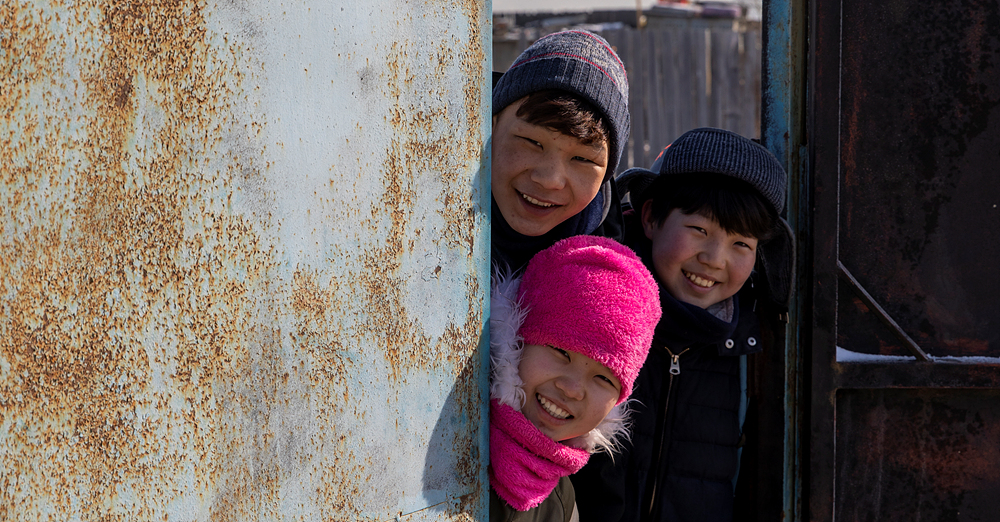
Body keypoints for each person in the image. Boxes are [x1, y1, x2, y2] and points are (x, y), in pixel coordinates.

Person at [570, 128, 793, 522]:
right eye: (699, 230)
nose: (714, 258)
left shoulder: (751, 354)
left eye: (741, 243)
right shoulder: (597, 320)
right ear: (651, 217)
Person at [489, 235, 661, 522]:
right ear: (514, 338)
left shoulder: (561, 503)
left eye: (604, 379)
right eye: (559, 351)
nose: (572, 389)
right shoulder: (449, 432)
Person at [491, 30, 630, 272]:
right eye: (532, 142)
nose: (549, 181)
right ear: (492, 126)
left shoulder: (610, 274)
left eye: (582, 159)